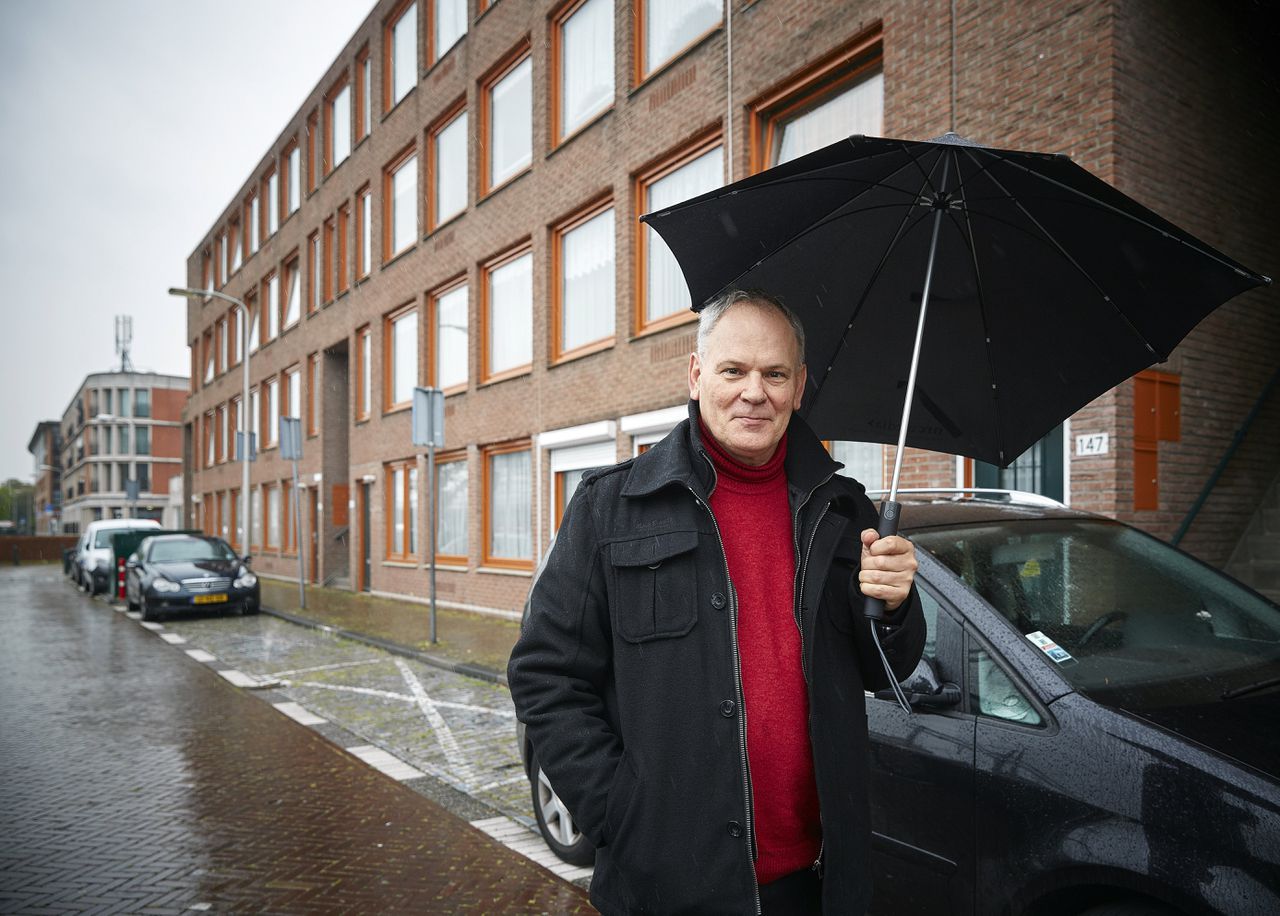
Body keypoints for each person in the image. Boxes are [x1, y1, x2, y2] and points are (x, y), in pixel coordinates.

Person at [508, 289, 926, 914]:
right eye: (734, 370)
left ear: (800, 384)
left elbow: (881, 667)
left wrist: (894, 607)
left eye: (775, 374)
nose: (754, 392)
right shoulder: (611, 507)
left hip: (818, 883)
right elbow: (545, 676)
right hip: (669, 887)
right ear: (698, 373)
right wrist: (619, 812)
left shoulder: (846, 511)